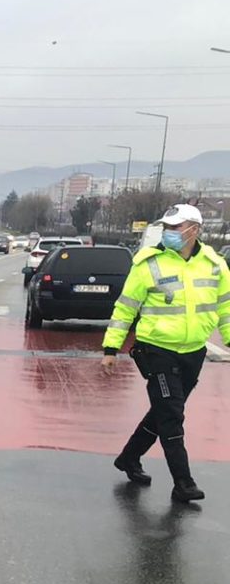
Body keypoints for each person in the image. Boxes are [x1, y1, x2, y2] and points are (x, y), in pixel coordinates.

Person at [102, 204, 230, 503]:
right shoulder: (148, 263)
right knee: (172, 414)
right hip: (156, 350)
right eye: (167, 227)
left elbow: (226, 308)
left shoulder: (214, 265)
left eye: (176, 227)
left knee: (163, 411)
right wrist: (111, 348)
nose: (170, 232)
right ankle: (183, 483)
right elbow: (125, 309)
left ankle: (129, 457)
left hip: (193, 352)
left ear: (194, 230)